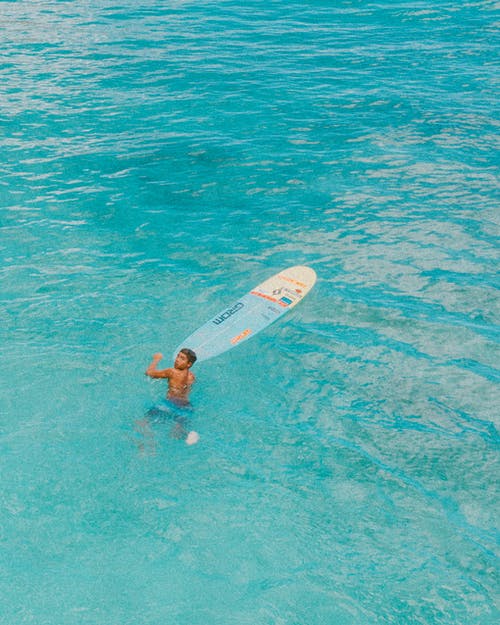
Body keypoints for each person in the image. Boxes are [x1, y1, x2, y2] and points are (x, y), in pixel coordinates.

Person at [142, 349, 199, 446]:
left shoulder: (172, 372)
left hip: (171, 403)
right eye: (178, 356)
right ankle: (188, 435)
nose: (177, 360)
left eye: (182, 358)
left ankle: (149, 445)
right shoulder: (192, 376)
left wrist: (156, 359)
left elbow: (149, 372)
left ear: (189, 364)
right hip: (186, 406)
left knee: (142, 423)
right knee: (176, 433)